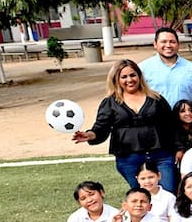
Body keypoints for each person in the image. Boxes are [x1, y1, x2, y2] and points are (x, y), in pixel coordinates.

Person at [74, 59, 178, 192]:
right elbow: (101, 127)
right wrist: (89, 135)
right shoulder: (110, 102)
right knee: (142, 196)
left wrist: (178, 148)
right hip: (129, 158)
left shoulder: (156, 99)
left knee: (167, 194)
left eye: (133, 75)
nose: (129, 80)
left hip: (161, 155)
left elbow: (171, 125)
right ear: (116, 79)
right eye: (124, 77)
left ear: (139, 76)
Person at [138, 27, 192, 107]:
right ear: (155, 44)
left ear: (178, 44)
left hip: (184, 117)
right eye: (163, 42)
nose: (168, 45)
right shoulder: (142, 69)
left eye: (172, 42)